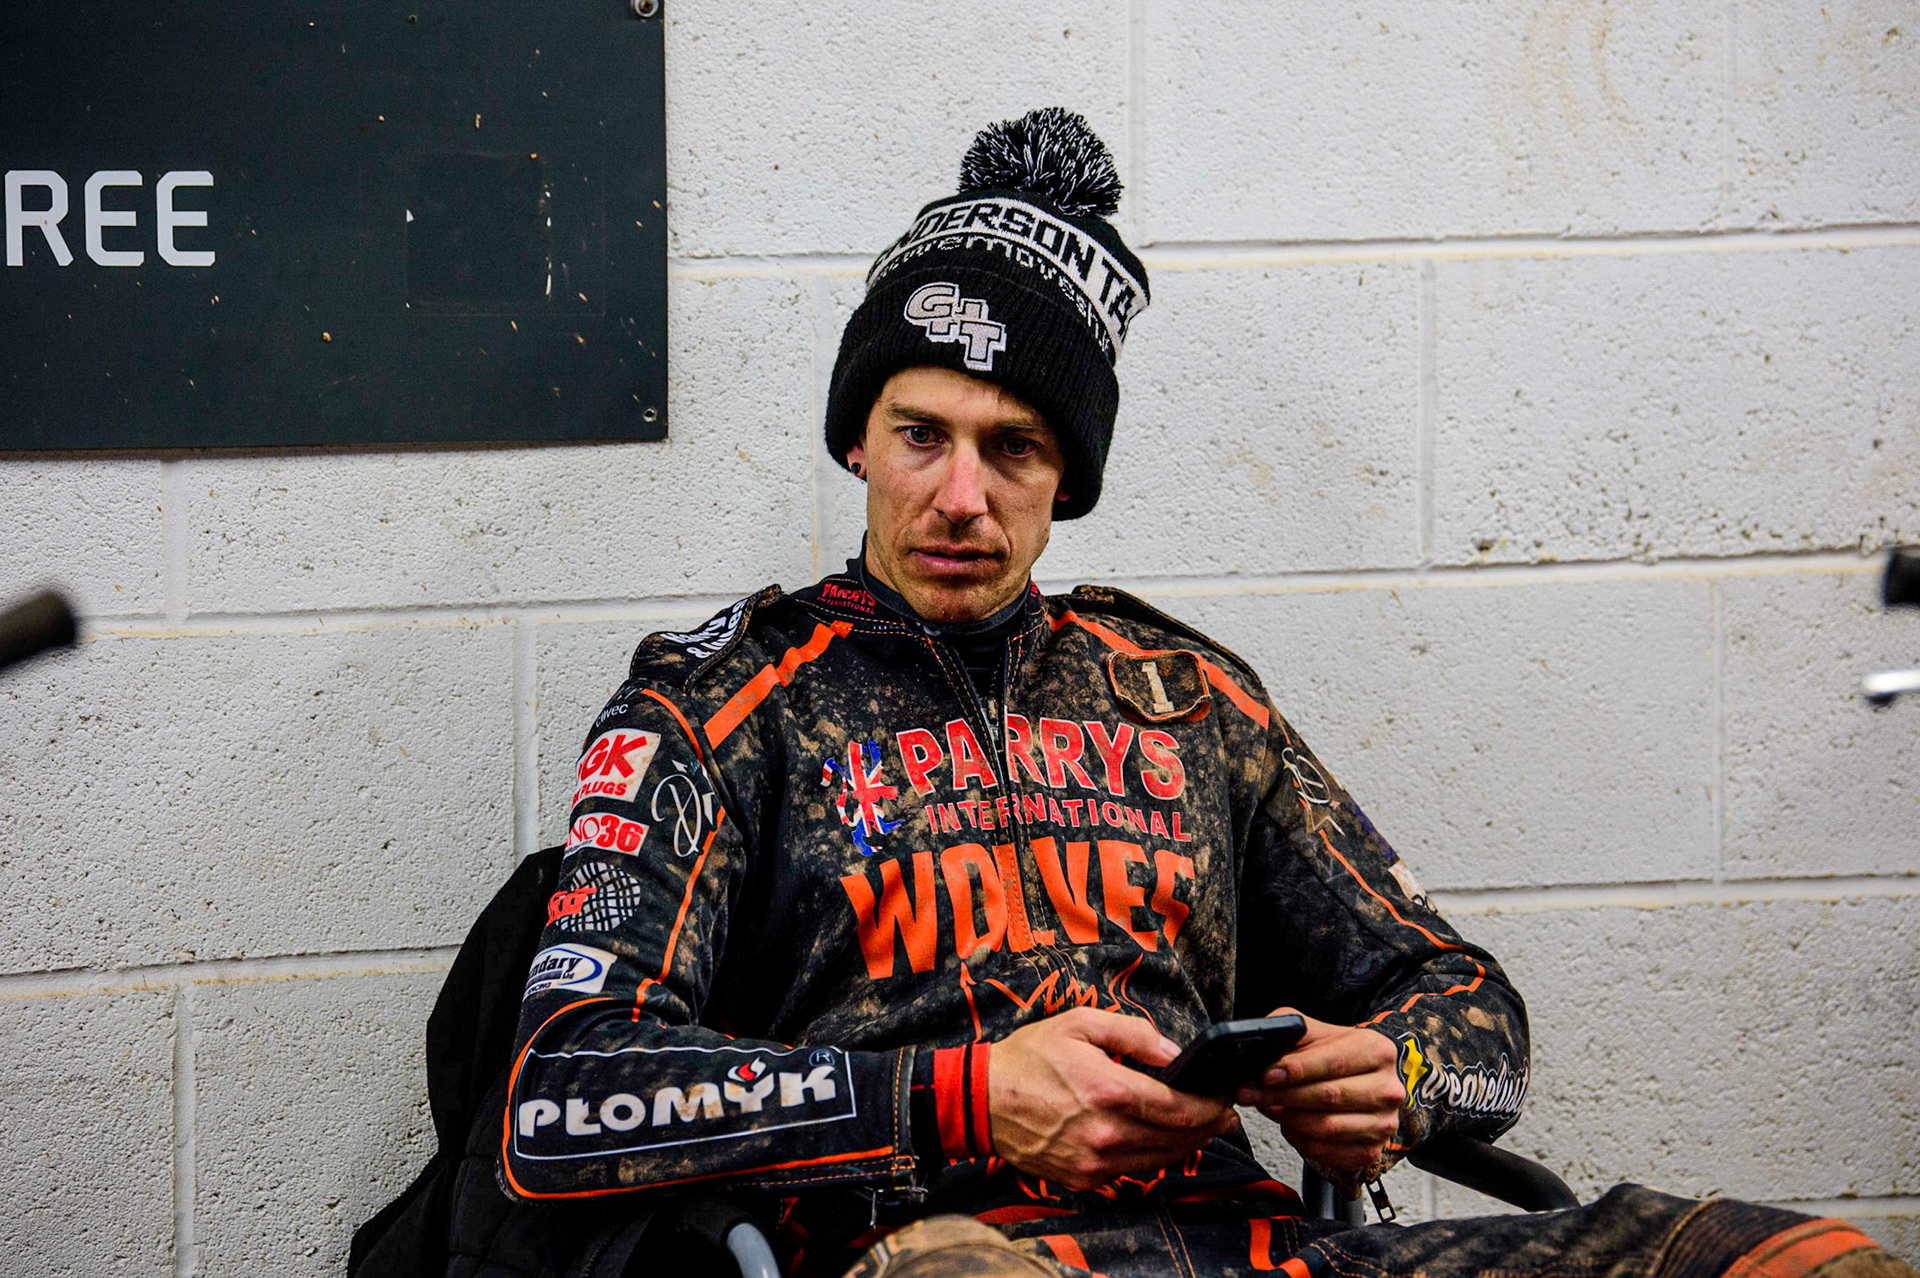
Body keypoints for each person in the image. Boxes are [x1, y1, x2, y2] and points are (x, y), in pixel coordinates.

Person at [482, 109, 1911, 1278]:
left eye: (1017, 447)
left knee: (1791, 1260)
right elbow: (557, 1097)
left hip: (1270, 1253)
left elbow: (1479, 1020)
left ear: (1070, 476)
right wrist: (963, 1095)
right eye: (922, 432)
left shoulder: (1182, 695)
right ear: (857, 438)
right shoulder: (721, 701)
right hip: (952, 1254)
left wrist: (1395, 1073)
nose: (962, 495)